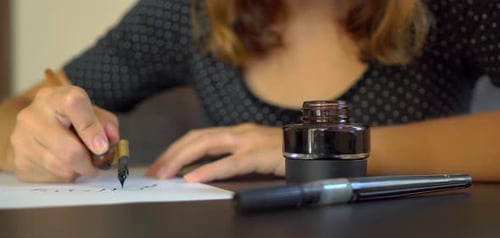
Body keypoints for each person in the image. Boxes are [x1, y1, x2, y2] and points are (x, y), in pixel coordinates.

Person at [0, 0, 499, 183]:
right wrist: (33, 135)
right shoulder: (190, 13)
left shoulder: (450, 9)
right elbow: (20, 108)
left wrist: (310, 152)